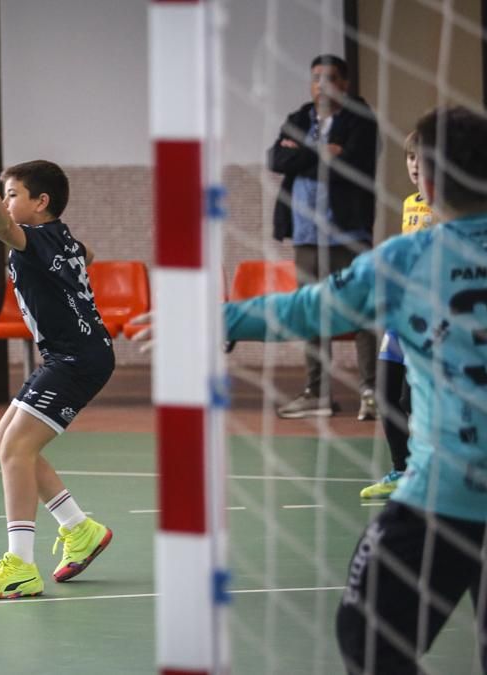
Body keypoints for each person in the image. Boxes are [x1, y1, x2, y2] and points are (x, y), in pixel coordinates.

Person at [140, 106, 487, 672]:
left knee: (368, 638)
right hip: (442, 497)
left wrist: (211, 320)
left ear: (425, 178)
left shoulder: (410, 256)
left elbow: (306, 311)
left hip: (441, 499)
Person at [0, 156, 113, 599]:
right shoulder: (60, 237)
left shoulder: (32, 238)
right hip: (68, 354)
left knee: (15, 447)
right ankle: (79, 529)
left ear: (41, 202)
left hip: (76, 358)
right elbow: (86, 255)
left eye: (14, 196)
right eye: (5, 195)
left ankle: (21, 564)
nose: (7, 203)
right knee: (5, 443)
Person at [269, 54, 379, 420]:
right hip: (306, 236)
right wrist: (322, 151)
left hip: (348, 234)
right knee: (311, 314)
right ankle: (318, 392)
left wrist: (302, 153)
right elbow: (276, 160)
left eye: (330, 78)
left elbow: (353, 163)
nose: (321, 85)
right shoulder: (300, 118)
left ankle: (371, 391)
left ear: (344, 85)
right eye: (315, 78)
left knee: (362, 312)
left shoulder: (360, 119)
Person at [360, 131, 433, 500]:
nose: (415, 164)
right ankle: (401, 470)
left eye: (423, 156)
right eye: (410, 157)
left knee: (415, 400)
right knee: (387, 394)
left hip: (437, 323)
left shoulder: (457, 209)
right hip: (402, 315)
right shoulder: (410, 204)